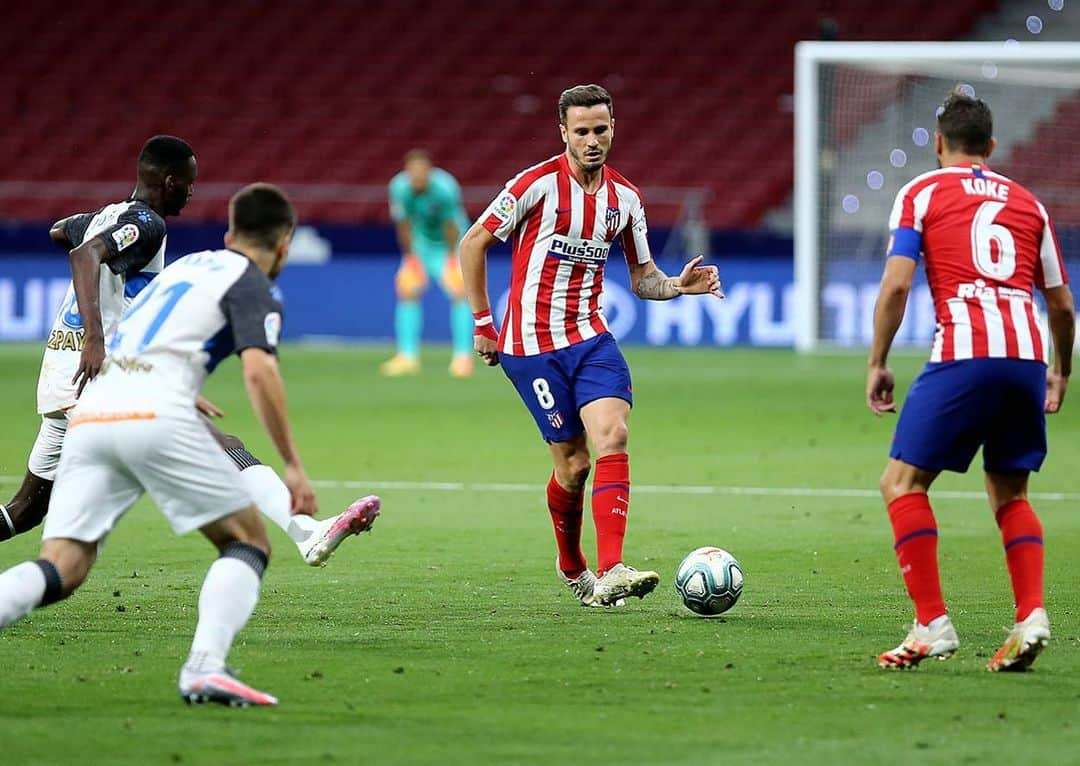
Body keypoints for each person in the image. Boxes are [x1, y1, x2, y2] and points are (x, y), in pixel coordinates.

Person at [0, 183, 315, 706]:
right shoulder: (254, 285)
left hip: (95, 408)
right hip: (153, 416)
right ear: (285, 244)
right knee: (247, 542)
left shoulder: (187, 269)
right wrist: (294, 465)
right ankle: (204, 669)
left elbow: (133, 337)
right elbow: (260, 374)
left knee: (64, 565)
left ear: (230, 233)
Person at [0, 136, 378, 565]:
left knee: (26, 509)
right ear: (168, 181)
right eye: (188, 183)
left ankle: (301, 531)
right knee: (218, 443)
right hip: (92, 372)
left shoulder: (108, 217)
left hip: (64, 376)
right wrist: (95, 338)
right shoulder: (146, 223)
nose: (192, 192)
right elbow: (85, 255)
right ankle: (305, 531)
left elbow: (62, 233)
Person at [460, 84, 723, 607]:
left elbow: (643, 277)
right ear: (564, 133)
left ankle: (611, 568)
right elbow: (473, 243)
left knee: (614, 434)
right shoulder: (534, 185)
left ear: (613, 129)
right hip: (531, 346)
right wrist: (483, 322)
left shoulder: (625, 199)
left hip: (591, 338)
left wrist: (677, 286)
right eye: (581, 131)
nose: (592, 139)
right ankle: (572, 562)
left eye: (600, 129)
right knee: (574, 466)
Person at [867, 91, 1074, 671]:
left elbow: (897, 286)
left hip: (966, 350)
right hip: (1027, 355)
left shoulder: (922, 192)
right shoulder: (1030, 204)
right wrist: (1060, 371)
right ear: (991, 147)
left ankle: (931, 623)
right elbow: (1060, 304)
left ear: (938, 145)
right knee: (1011, 493)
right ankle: (1031, 616)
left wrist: (878, 360)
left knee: (902, 482)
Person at [381, 149, 475, 378]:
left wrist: (453, 259)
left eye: (422, 172)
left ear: (429, 172)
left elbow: (451, 224)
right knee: (407, 292)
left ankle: (463, 358)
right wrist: (411, 258)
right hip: (421, 245)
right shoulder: (399, 188)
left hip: (450, 245)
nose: (417, 177)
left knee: (460, 293)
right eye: (413, 172)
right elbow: (403, 224)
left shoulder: (445, 188)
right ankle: (407, 356)